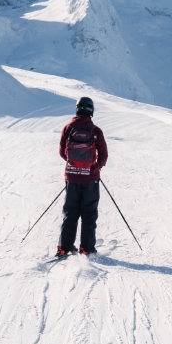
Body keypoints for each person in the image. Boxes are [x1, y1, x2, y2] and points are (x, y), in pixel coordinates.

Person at [56, 96, 108, 257]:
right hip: (90, 179)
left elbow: (61, 152)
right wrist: (93, 168)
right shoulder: (95, 131)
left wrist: (74, 165)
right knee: (89, 213)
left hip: (71, 179)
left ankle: (64, 247)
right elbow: (104, 155)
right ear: (91, 111)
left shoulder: (68, 128)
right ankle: (86, 248)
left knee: (70, 213)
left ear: (77, 109)